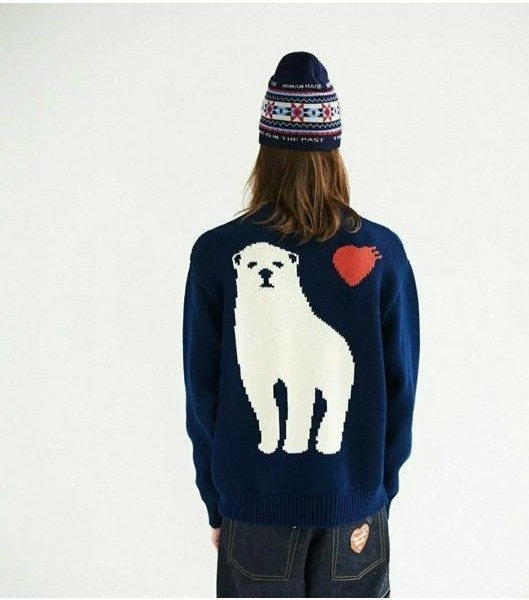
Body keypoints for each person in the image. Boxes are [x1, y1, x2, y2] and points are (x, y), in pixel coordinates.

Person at [182, 51, 420, 598]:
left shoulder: (216, 252)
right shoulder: (383, 251)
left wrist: (218, 501)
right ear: (334, 152)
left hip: (254, 508)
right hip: (352, 507)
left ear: (264, 154)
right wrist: (378, 494)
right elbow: (401, 386)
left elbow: (203, 392)